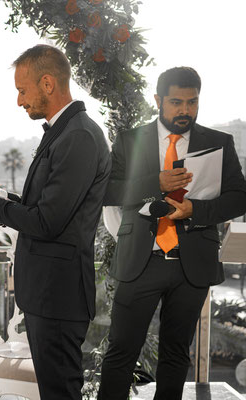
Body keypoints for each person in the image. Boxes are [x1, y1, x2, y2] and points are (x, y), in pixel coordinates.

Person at [0, 44, 111, 399]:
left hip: (59, 295)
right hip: (48, 294)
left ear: (48, 83)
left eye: (23, 91)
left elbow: (47, 222)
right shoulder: (64, 132)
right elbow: (48, 208)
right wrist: (1, 196)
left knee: (60, 393)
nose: (20, 101)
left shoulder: (78, 136)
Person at [98, 67, 246, 399]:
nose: (185, 110)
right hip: (140, 261)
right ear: (158, 101)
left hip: (191, 264)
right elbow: (108, 192)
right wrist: (156, 183)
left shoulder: (219, 143)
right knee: (121, 353)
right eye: (176, 102)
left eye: (192, 102)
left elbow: (240, 196)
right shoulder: (129, 141)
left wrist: (197, 210)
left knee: (176, 354)